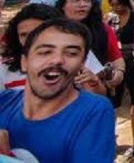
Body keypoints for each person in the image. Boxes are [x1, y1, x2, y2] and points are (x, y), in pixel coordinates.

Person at [0, 19, 115, 162]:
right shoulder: (4, 101)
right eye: (45, 51)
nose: (57, 60)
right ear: (24, 62)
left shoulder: (93, 111)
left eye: (71, 53)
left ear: (82, 64)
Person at [56, 0, 124, 98]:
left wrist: (119, 73)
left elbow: (116, 59)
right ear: (63, 5)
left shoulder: (103, 30)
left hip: (95, 94)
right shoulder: (51, 31)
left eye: (87, 0)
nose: (82, 5)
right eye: (75, 0)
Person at [106, 0, 134, 158]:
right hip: (116, 63)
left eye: (119, 4)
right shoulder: (111, 20)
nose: (116, 8)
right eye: (113, 4)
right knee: (113, 103)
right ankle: (110, 140)